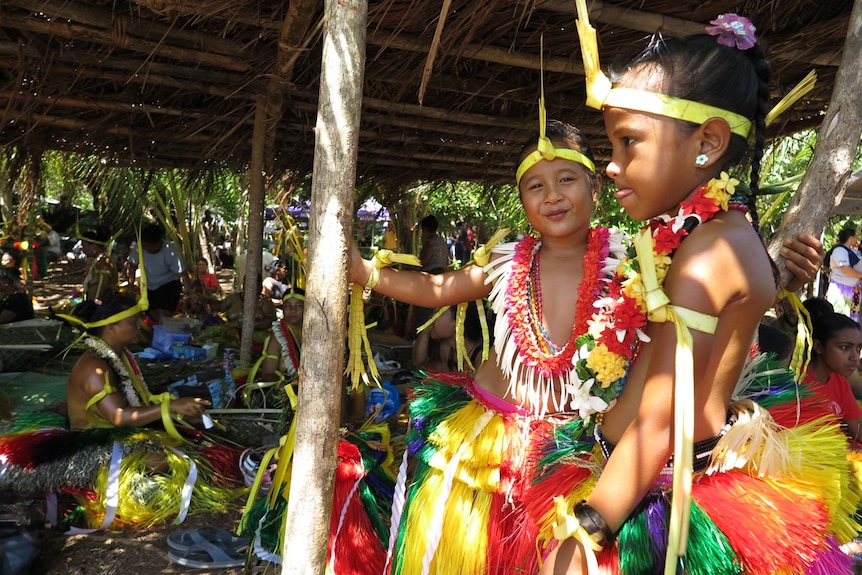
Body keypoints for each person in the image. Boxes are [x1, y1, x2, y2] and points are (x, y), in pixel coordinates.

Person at [540, 11, 855, 574]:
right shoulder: (721, 236)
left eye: (628, 142)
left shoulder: (706, 253)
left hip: (649, 498)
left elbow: (663, 419)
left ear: (707, 142)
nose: (611, 167)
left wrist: (586, 532)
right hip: (645, 475)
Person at [66, 294, 210, 430]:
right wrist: (170, 406)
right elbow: (119, 417)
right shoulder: (94, 367)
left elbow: (134, 403)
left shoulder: (119, 354)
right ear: (111, 328)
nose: (139, 326)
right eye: (133, 322)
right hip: (95, 444)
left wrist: (177, 413)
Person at [802, 312, 862, 442]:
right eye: (845, 347)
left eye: (858, 349)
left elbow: (857, 433)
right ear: (818, 346)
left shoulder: (840, 382)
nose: (855, 357)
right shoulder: (796, 381)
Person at [125, 223, 190, 324]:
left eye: (150, 246)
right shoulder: (139, 248)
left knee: (163, 314)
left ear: (160, 241)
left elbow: (182, 274)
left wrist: (189, 293)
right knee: (151, 314)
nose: (147, 249)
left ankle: (164, 333)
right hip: (149, 286)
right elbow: (131, 266)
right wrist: (130, 285)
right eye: (145, 246)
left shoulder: (170, 250)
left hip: (169, 285)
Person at [411, 300, 487, 374]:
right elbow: (417, 362)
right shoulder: (446, 348)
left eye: (438, 314)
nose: (432, 318)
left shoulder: (480, 356)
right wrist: (426, 329)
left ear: (456, 325)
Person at [825, 228, 862, 320]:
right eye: (855, 236)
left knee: (852, 319)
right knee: (839, 318)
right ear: (851, 237)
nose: (857, 239)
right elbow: (845, 268)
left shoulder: (854, 251)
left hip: (854, 290)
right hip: (841, 289)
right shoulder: (839, 251)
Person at [79, 225, 118, 301]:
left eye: (84, 245)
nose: (81, 247)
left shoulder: (103, 263)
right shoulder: (97, 261)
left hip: (101, 307)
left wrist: (94, 305)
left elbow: (102, 287)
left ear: (93, 246)